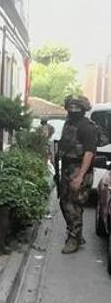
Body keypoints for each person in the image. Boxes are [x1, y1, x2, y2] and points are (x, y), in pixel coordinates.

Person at [57, 95, 97, 254]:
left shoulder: (87, 127)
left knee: (74, 204)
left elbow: (89, 153)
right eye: (70, 107)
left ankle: (74, 238)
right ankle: (76, 233)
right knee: (64, 202)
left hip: (80, 169)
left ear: (83, 109)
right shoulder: (69, 123)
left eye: (76, 107)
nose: (73, 110)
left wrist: (80, 176)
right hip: (67, 168)